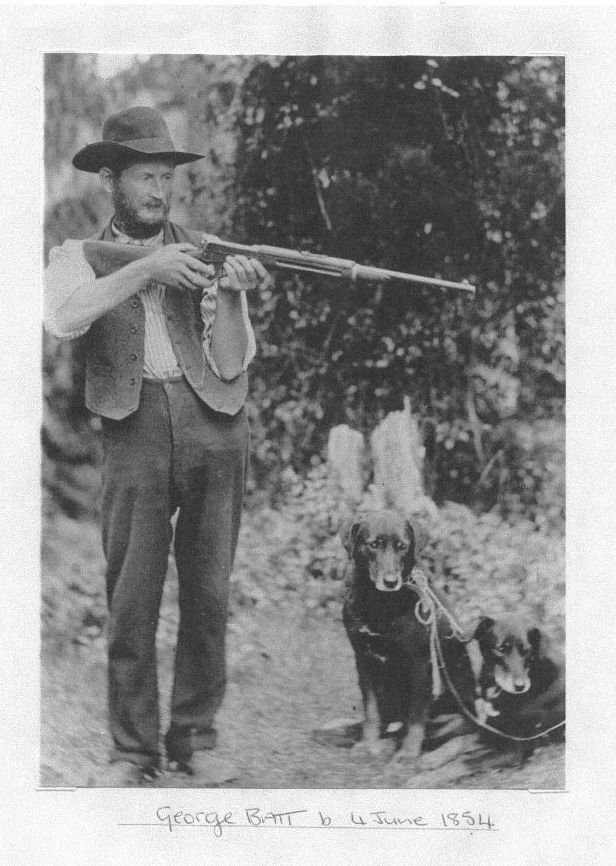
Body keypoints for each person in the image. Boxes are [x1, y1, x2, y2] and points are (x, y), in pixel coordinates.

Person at [44, 106, 271, 786]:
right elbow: (62, 318)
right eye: (144, 176)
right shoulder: (74, 257)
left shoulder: (207, 249)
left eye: (164, 177)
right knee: (131, 596)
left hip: (214, 424)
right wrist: (146, 270)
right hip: (133, 423)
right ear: (109, 180)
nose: (158, 191)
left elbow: (232, 363)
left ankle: (195, 740)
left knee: (208, 592)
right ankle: (133, 752)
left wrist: (231, 295)